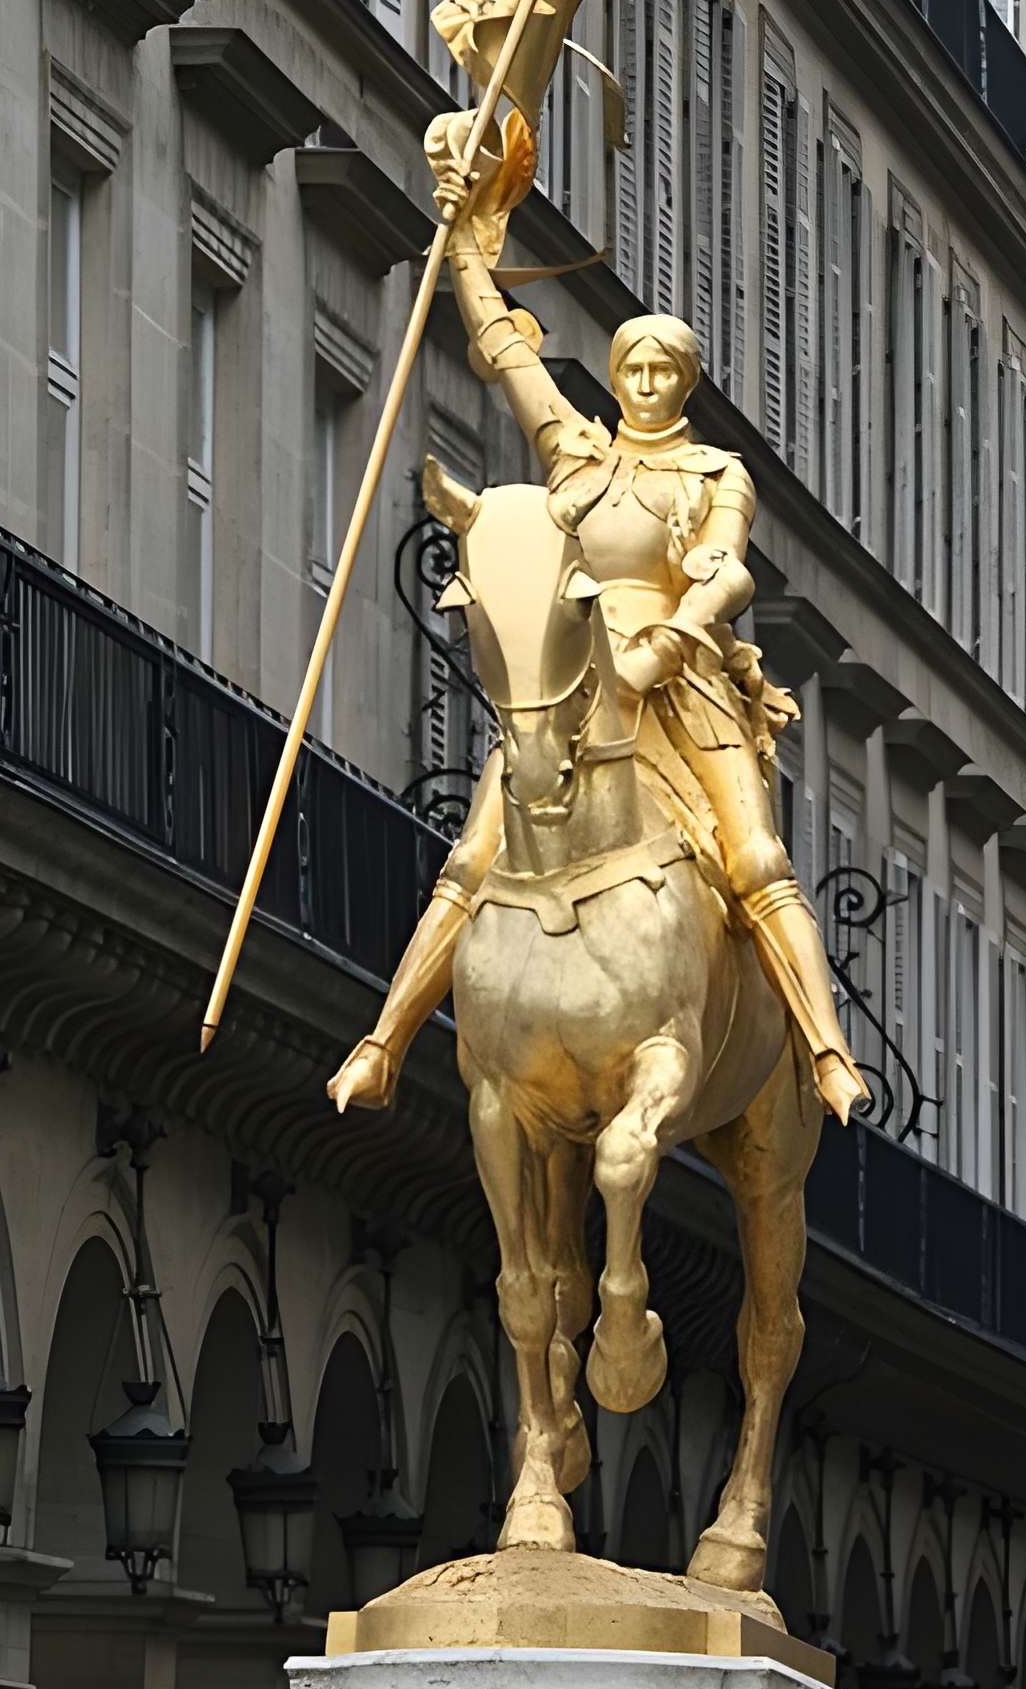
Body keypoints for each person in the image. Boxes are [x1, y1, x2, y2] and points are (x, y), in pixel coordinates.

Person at [329, 109, 869, 1124]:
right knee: (473, 856)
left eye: (667, 371)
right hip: (575, 672)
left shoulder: (716, 471)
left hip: (679, 674)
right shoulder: (577, 453)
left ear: (686, 382)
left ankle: (825, 1050)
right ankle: (385, 1040)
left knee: (754, 858)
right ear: (618, 377)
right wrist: (465, 247)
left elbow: (727, 572)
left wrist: (675, 633)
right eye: (635, 369)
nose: (650, 384)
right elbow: (502, 354)